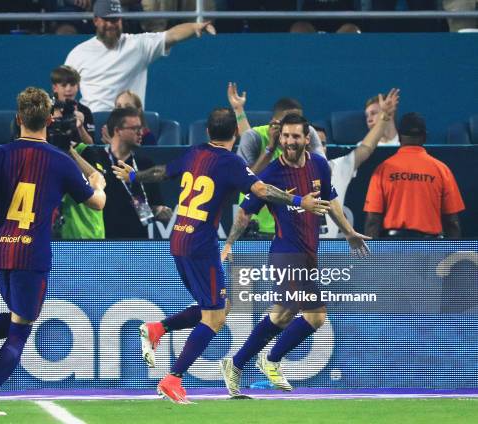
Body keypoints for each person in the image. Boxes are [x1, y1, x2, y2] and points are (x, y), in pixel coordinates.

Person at [112, 108, 329, 403]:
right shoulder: (231, 162)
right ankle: (173, 378)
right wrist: (297, 200)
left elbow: (163, 172)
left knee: (216, 308)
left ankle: (156, 328)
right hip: (201, 245)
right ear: (235, 134)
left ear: (208, 132)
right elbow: (262, 189)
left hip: (178, 239)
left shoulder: (195, 152)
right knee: (214, 317)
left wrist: (135, 175)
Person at [0, 87, 106, 416]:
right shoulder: (60, 161)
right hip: (31, 254)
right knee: (21, 330)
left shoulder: (1, 153)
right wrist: (100, 183)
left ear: (18, 118)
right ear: (49, 119)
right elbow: (97, 203)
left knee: (19, 316)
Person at [217, 113, 370, 397]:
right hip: (285, 252)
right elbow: (244, 213)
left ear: (306, 138)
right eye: (285, 136)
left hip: (310, 252)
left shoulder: (320, 166)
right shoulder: (272, 173)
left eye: (295, 136)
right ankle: (248, 362)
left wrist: (348, 231)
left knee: (310, 318)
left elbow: (331, 202)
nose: (289, 141)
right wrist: (229, 244)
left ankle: (254, 361)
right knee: (294, 310)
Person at [64, 0, 216, 112]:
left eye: (115, 19)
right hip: (93, 124)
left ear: (121, 20)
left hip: (130, 123)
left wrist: (195, 26)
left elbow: (172, 35)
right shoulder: (78, 53)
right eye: (107, 20)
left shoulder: (138, 45)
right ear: (96, 20)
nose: (111, 24)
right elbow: (64, 88)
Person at [232, 87, 324, 239]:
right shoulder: (254, 137)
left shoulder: (308, 134)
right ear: (275, 122)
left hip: (294, 227)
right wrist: (270, 148)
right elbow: (245, 182)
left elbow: (323, 171)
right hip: (254, 227)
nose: (295, 126)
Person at [364, 112, 465, 239]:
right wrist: (453, 254)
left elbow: (373, 220)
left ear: (400, 137)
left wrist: (369, 257)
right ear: (425, 137)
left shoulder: (382, 170)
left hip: (393, 248)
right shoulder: (441, 170)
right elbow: (452, 222)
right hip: (430, 248)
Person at [321, 88, 400, 238]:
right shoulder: (358, 152)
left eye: (374, 113)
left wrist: (384, 115)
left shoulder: (406, 146)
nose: (369, 118)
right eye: (367, 115)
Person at [92, 107, 171, 238]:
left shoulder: (145, 164)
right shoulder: (97, 159)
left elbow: (151, 207)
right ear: (118, 130)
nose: (141, 133)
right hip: (103, 244)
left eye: (141, 128)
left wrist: (159, 211)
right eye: (135, 128)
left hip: (137, 245)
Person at [49, 65, 94, 151]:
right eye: (64, 85)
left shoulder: (85, 111)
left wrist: (80, 127)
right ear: (55, 88)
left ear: (78, 86)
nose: (68, 89)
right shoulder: (45, 109)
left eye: (73, 85)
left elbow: (90, 145)